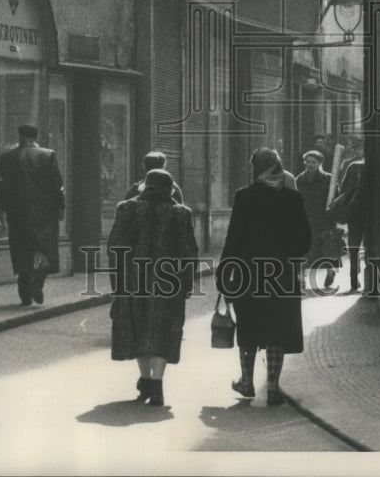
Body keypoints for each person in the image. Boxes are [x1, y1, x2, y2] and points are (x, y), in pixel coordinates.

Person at [216, 147, 311, 406]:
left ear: (256, 168)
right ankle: (272, 387)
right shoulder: (293, 198)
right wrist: (289, 258)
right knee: (277, 331)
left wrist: (225, 272)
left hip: (249, 274)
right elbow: (305, 240)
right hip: (282, 275)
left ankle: (247, 382)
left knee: (249, 328)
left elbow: (233, 238)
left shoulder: (244, 197)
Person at [108, 168, 198, 407]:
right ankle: (157, 384)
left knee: (138, 329)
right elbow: (190, 252)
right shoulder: (180, 213)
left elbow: (114, 248)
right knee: (162, 330)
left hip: (133, 281)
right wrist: (187, 284)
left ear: (145, 186)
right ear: (170, 189)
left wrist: (117, 283)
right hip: (169, 283)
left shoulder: (126, 209)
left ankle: (145, 380)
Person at [0, 124, 65, 306]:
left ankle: (24, 292)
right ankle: (37, 279)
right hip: (43, 212)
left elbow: (2, 186)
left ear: (20, 136)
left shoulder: (7, 157)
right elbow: (56, 184)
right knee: (44, 248)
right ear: (35, 137)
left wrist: (4, 208)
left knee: (21, 249)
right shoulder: (47, 155)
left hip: (17, 212)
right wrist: (60, 206)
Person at [295, 149, 339, 291]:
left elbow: (336, 198)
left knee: (325, 249)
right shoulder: (299, 180)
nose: (310, 165)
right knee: (303, 251)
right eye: (308, 162)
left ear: (320, 163)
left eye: (314, 162)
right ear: (304, 163)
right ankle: (301, 280)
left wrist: (332, 213)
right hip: (305, 220)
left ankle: (330, 271)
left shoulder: (328, 179)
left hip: (324, 220)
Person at [327, 157, 367, 292]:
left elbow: (344, 191)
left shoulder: (354, 166)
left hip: (355, 214)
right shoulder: (375, 166)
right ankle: (372, 281)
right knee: (373, 248)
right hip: (374, 214)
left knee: (354, 248)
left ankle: (354, 281)